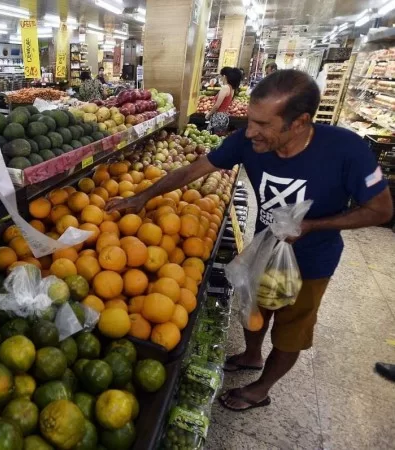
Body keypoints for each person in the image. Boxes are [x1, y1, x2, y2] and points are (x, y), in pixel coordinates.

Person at [106, 70, 393, 411]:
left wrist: (316, 225)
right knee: (254, 311)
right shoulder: (248, 141)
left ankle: (261, 388)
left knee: (291, 331)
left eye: (263, 124)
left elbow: (380, 210)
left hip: (312, 260)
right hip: (263, 248)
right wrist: (142, 196)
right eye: (250, 120)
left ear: (299, 122)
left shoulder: (346, 150)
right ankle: (252, 355)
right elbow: (192, 171)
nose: (250, 130)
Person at [205, 67, 241, 134]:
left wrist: (209, 114)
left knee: (211, 136)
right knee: (218, 137)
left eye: (221, 76)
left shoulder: (225, 88)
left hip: (218, 116)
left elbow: (217, 106)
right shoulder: (232, 88)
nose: (221, 78)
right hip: (224, 116)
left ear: (224, 76)